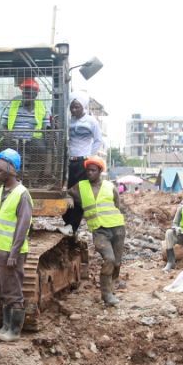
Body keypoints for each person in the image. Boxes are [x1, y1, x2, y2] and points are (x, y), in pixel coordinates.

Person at [0, 148, 32, 342]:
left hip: (11, 253)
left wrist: (13, 253)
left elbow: (22, 227)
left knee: (13, 291)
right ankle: (5, 327)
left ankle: (14, 331)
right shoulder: (3, 191)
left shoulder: (22, 194)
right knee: (3, 290)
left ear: (11, 169)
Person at [70, 156, 125, 306]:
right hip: (99, 231)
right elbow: (68, 194)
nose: (89, 173)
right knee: (109, 259)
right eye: (88, 170)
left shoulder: (110, 186)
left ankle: (112, 285)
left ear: (100, 171)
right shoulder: (81, 186)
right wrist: (69, 200)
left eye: (93, 170)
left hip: (117, 228)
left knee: (117, 262)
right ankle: (106, 295)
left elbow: (117, 205)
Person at [0, 78, 50, 164]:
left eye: (29, 93)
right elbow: (2, 125)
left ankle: (36, 174)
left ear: (35, 95)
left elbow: (46, 127)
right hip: (13, 139)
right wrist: (7, 135)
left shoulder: (42, 106)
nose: (25, 96)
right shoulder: (13, 105)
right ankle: (10, 170)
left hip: (33, 140)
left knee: (41, 147)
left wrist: (48, 132)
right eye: (24, 93)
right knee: (6, 144)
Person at [66, 94, 103, 186]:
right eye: (72, 107)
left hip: (83, 160)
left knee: (82, 187)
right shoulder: (69, 121)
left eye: (77, 107)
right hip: (70, 160)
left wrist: (89, 155)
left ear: (83, 106)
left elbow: (98, 140)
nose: (73, 110)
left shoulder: (91, 121)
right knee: (71, 188)